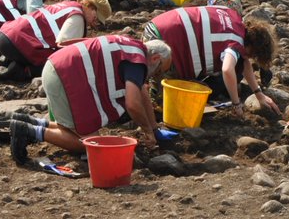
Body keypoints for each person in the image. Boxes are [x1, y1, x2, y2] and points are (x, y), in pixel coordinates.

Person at [9, 34, 173, 164]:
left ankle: (28, 121)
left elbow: (141, 91)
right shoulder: (138, 62)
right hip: (66, 76)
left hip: (59, 67)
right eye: (159, 71)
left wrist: (154, 128)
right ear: (155, 58)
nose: (155, 76)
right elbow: (133, 104)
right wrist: (147, 131)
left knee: (71, 127)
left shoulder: (133, 47)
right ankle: (28, 131)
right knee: (92, 145)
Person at [144, 3, 281, 117]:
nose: (251, 58)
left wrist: (259, 94)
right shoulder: (235, 43)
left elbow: (244, 63)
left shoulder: (235, 20)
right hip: (165, 40)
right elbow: (227, 70)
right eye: (253, 56)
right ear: (252, 47)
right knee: (168, 102)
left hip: (159, 24)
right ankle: (146, 99)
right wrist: (236, 103)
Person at [0, 0, 112, 81]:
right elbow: (64, 47)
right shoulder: (78, 18)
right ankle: (21, 71)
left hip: (6, 34)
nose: (95, 23)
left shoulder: (69, 5)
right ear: (91, 7)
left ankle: (8, 60)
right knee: (61, 66)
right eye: (96, 18)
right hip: (16, 43)